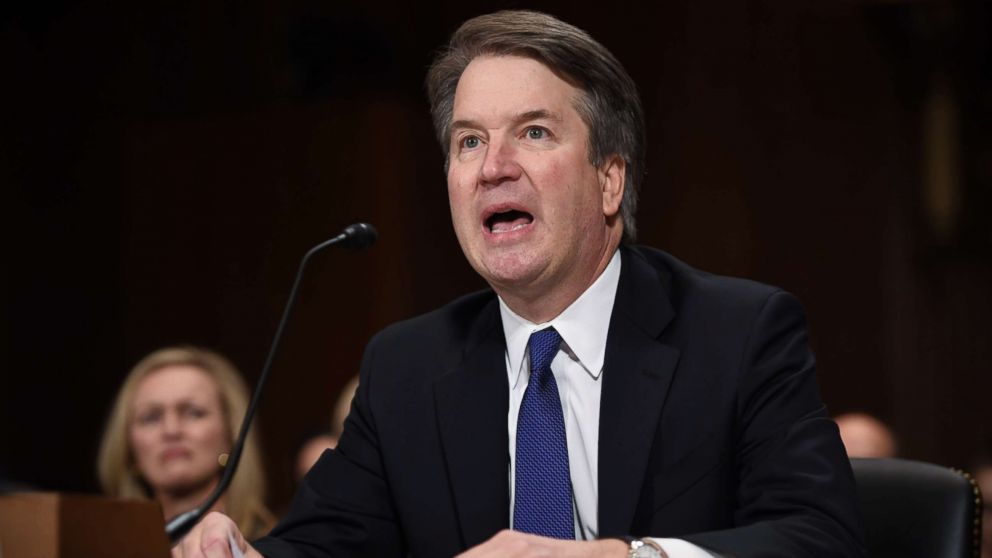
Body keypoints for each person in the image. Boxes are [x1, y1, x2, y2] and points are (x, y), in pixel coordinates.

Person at [175, 10, 864, 558]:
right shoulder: (408, 367)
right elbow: (321, 544)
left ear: (609, 180)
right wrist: (237, 552)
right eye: (468, 141)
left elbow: (820, 538)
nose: (492, 167)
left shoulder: (737, 333)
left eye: (532, 132)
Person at [97, 346, 276, 540]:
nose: (171, 430)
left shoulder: (281, 547)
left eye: (193, 412)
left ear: (231, 433)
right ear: (128, 447)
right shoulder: (98, 547)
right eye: (151, 417)